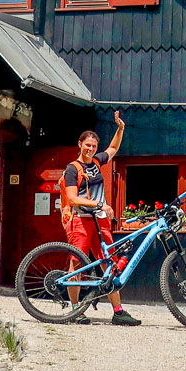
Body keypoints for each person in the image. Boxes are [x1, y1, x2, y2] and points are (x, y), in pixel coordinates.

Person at [61, 110, 139, 325]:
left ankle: (118, 310)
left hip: (100, 221)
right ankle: (76, 310)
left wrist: (120, 128)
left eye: (94, 146)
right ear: (80, 144)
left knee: (110, 263)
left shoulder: (96, 163)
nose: (91, 149)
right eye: (87, 145)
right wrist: (99, 204)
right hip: (81, 221)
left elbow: (113, 149)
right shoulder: (72, 169)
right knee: (77, 264)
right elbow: (72, 198)